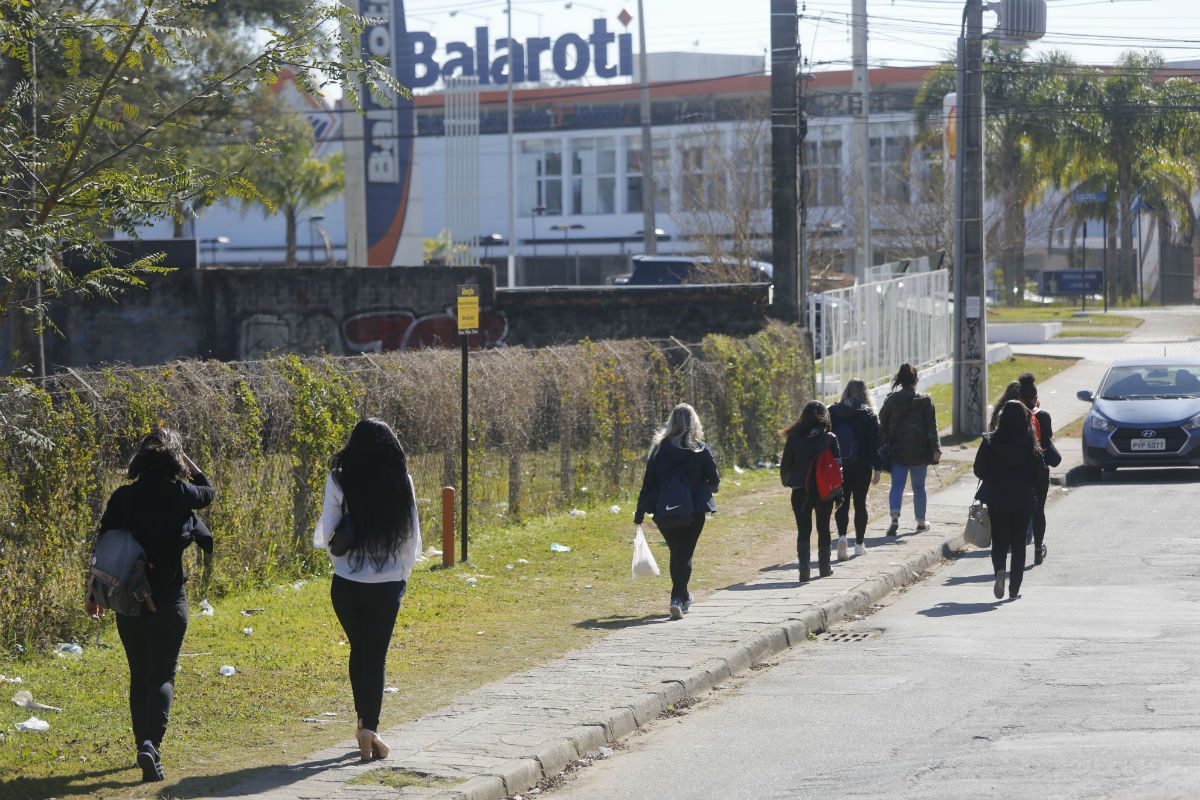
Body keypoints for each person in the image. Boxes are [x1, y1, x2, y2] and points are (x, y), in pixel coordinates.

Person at [87, 428, 215, 783]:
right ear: (174, 461)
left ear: (140, 460)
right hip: (170, 600)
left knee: (139, 675)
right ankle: (150, 745)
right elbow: (209, 491)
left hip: (129, 602)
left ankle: (141, 745)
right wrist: (185, 457)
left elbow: (104, 546)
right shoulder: (180, 494)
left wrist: (93, 593)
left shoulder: (122, 498)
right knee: (162, 675)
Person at [313, 418, 422, 762]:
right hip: (387, 587)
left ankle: (366, 727)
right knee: (373, 655)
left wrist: (340, 561)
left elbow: (325, 535)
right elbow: (412, 537)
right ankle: (368, 729)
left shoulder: (339, 479)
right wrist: (401, 574)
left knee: (360, 650)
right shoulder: (400, 481)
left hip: (345, 586)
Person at [634, 403, 721, 620]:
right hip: (694, 511)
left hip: (664, 511)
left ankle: (680, 598)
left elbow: (648, 482)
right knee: (685, 553)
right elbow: (715, 480)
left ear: (671, 422)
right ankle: (678, 598)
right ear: (694, 423)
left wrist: (640, 512)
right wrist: (702, 489)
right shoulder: (700, 448)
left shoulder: (659, 449)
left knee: (677, 552)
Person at [974, 400, 1044, 600]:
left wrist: (992, 474)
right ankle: (1014, 589)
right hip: (1022, 500)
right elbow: (1040, 473)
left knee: (999, 542)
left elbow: (978, 469)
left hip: (997, 499)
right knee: (1019, 543)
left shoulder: (990, 441)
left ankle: (999, 572)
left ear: (1001, 419)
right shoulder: (1030, 443)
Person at [780, 401, 842, 582]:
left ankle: (804, 569)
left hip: (800, 489)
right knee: (824, 528)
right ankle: (824, 566)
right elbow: (837, 470)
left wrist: (787, 482)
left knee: (803, 529)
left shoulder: (793, 438)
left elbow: (785, 465)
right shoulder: (829, 438)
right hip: (824, 491)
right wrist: (839, 495)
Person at [877, 363, 941, 536]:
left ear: (900, 381)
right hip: (919, 453)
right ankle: (921, 521)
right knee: (919, 486)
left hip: (898, 451)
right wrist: (936, 449)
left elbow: (882, 419)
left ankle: (895, 518)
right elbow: (931, 427)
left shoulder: (892, 399)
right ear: (917, 380)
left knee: (897, 485)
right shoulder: (925, 401)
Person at [828, 379, 882, 559]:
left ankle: (842, 536)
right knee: (860, 504)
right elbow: (875, 445)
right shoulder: (868, 414)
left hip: (838, 466)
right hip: (862, 465)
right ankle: (859, 544)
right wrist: (878, 468)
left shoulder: (833, 412)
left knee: (841, 503)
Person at [1018, 372, 1055, 565]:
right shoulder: (1043, 416)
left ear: (1019, 398)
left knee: (1019, 510)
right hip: (1039, 470)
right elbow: (1047, 443)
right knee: (1038, 509)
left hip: (1017, 471)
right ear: (1035, 399)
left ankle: (1019, 547)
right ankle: (1038, 549)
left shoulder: (1011, 415)